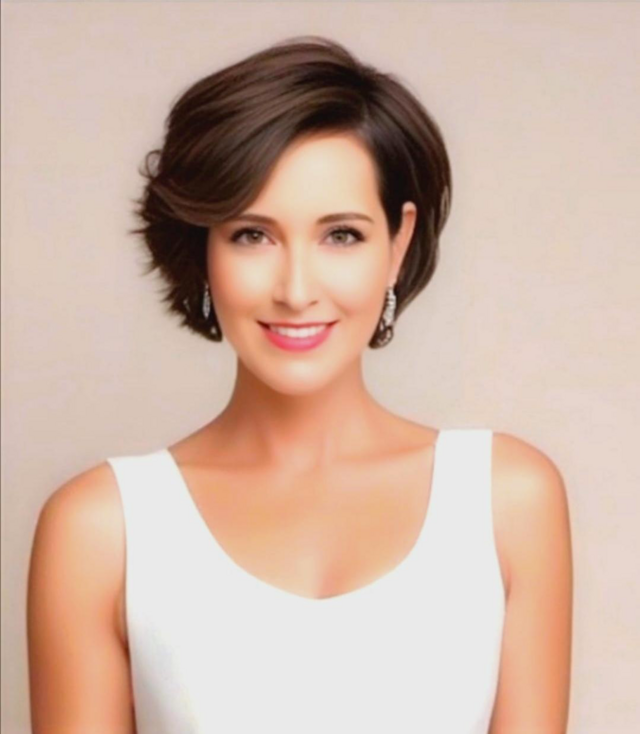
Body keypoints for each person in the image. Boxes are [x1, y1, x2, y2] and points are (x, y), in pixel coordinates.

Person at [26, 35, 573, 734]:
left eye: (340, 235)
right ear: (203, 247)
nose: (295, 289)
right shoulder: (101, 529)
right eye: (252, 235)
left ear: (398, 244)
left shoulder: (506, 501)